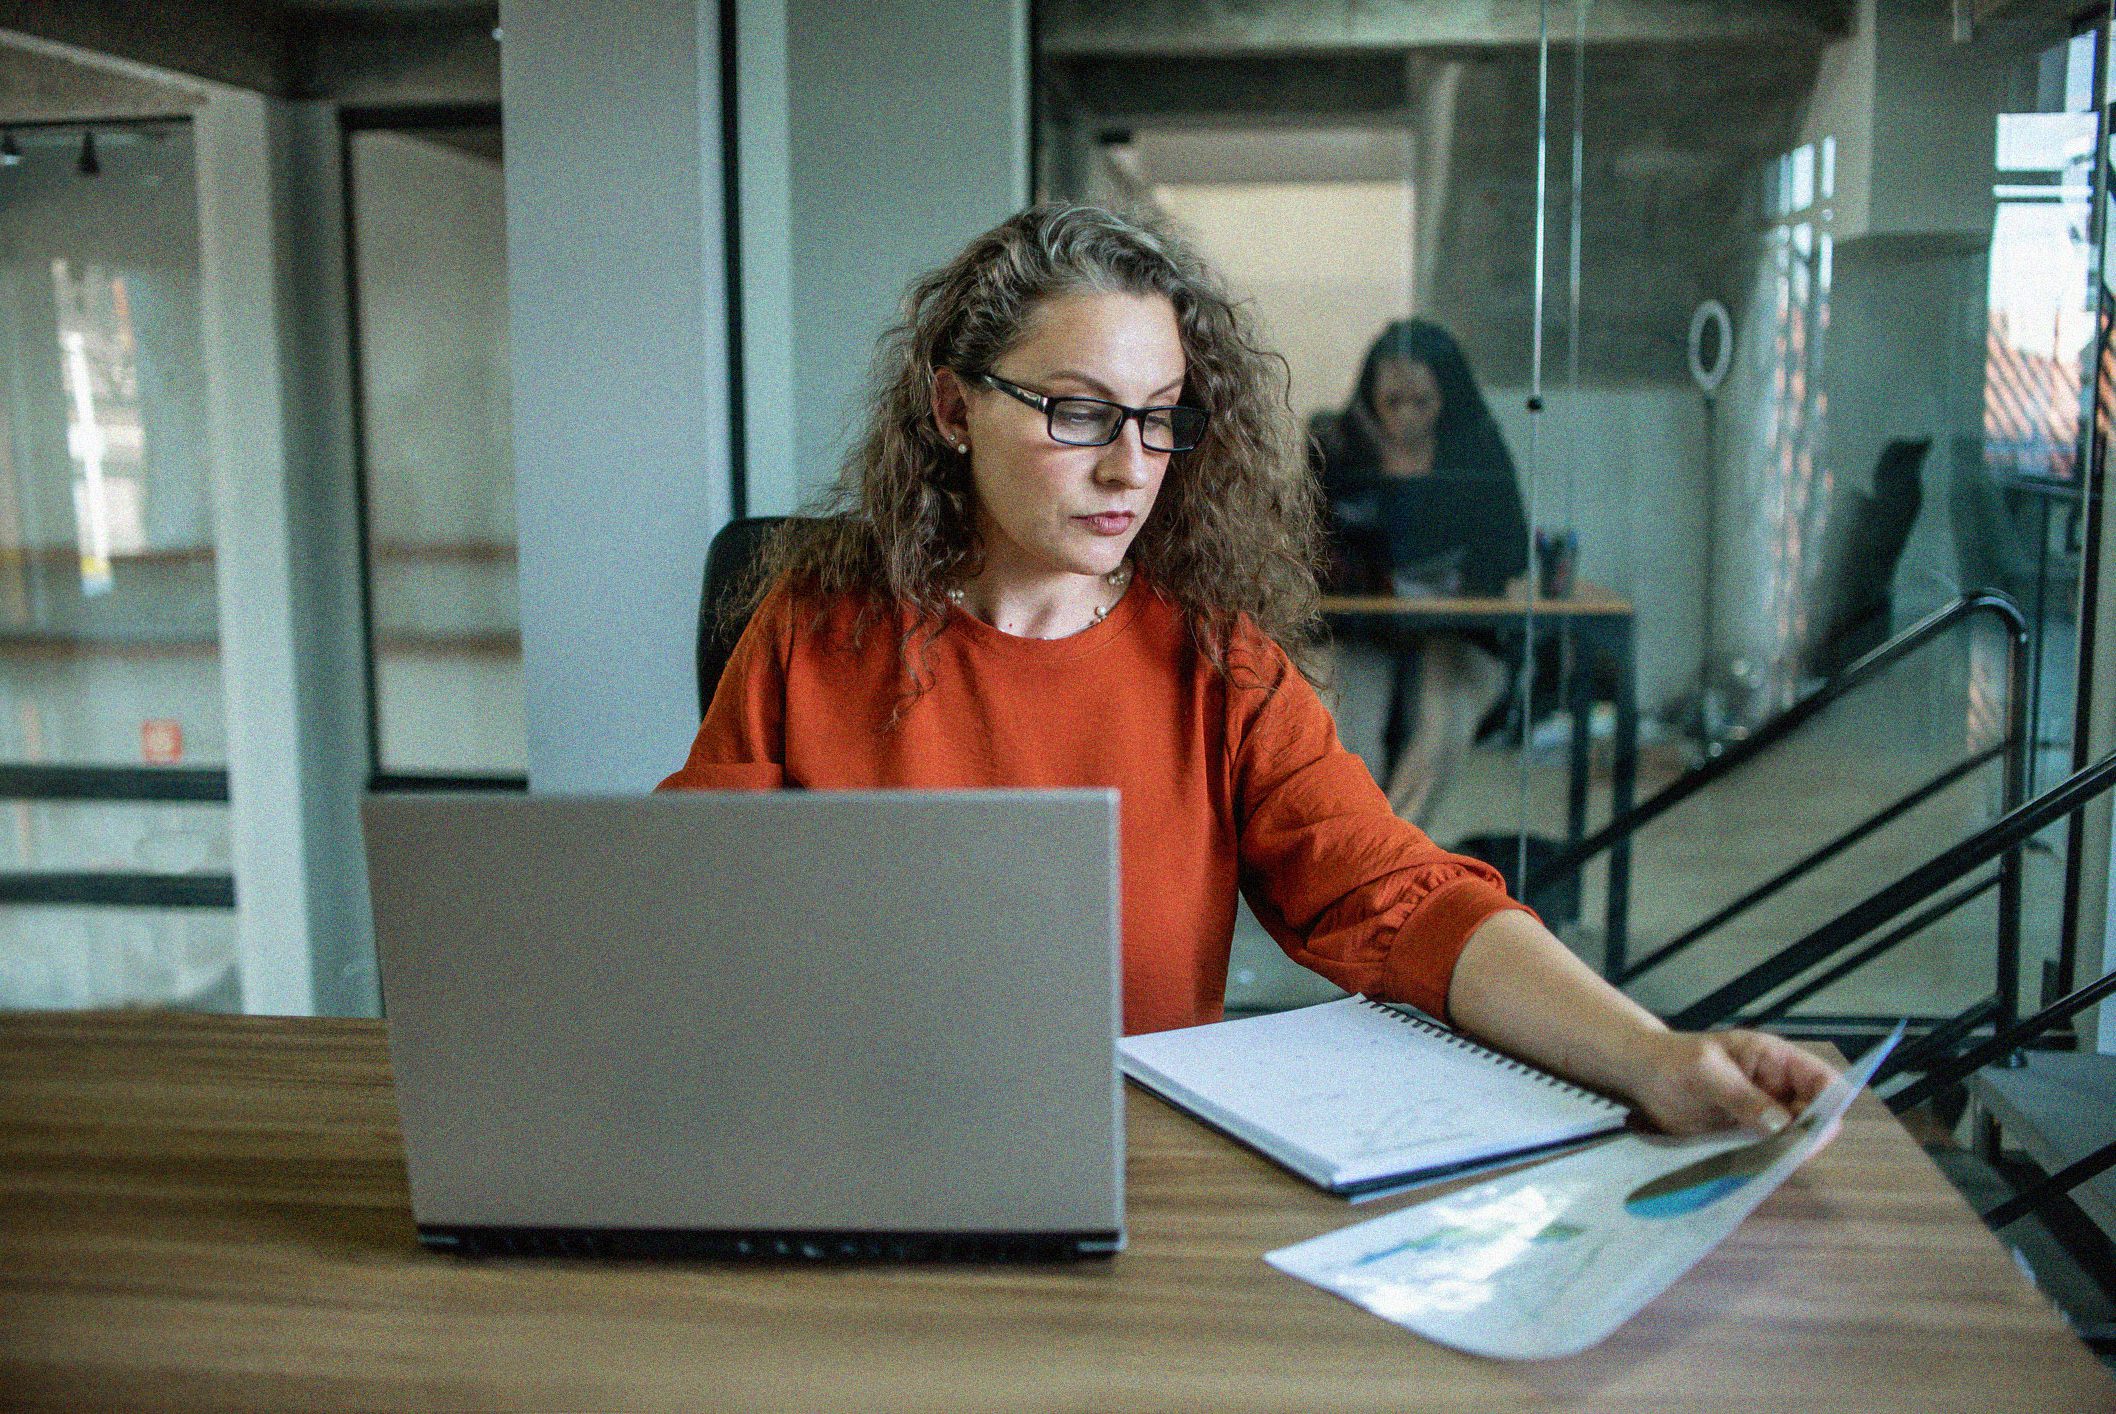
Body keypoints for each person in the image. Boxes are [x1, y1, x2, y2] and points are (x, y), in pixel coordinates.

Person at [661, 203, 1832, 1137]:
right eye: (1078, 413)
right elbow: (684, 904)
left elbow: (1401, 899)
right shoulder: (816, 622)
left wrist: (1655, 1054)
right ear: (953, 407)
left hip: (1136, 1171)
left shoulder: (1216, 664)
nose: (1132, 466)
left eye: (1162, 417)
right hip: (845, 1144)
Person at [1317, 319, 1529, 826]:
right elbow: (1303, 552)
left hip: (1455, 633)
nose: (1406, 417)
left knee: (1446, 717)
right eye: (1392, 402)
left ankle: (1392, 853)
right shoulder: (1337, 449)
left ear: (1446, 400)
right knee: (1348, 728)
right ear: (1371, 397)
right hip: (1357, 631)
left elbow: (1511, 552)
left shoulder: (1475, 453)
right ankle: (1355, 850)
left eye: (1422, 402)